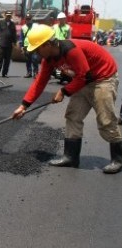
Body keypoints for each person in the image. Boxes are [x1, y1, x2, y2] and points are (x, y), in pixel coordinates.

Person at [11, 24, 122, 174]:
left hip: (103, 78)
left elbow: (84, 76)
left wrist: (64, 91)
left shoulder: (71, 50)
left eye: (37, 49)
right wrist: (24, 106)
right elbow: (39, 82)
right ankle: (71, 157)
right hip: (83, 79)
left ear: (48, 44)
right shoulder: (49, 59)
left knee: (106, 120)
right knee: (73, 115)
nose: (36, 53)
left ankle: (118, 159)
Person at [0, 11, 17, 78]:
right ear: (5, 15)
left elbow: (14, 34)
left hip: (9, 45)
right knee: (0, 59)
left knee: (7, 60)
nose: (8, 16)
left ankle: (5, 73)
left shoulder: (12, 24)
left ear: (11, 16)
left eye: (9, 15)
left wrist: (14, 42)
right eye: (7, 15)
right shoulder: (1, 22)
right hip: (1, 44)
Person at [20, 13, 39, 78]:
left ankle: (36, 73)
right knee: (28, 60)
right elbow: (21, 38)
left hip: (34, 45)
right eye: (27, 19)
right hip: (26, 46)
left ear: (31, 19)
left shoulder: (36, 26)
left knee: (35, 59)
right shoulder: (23, 27)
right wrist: (21, 46)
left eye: (29, 19)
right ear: (25, 20)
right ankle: (29, 72)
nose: (28, 20)